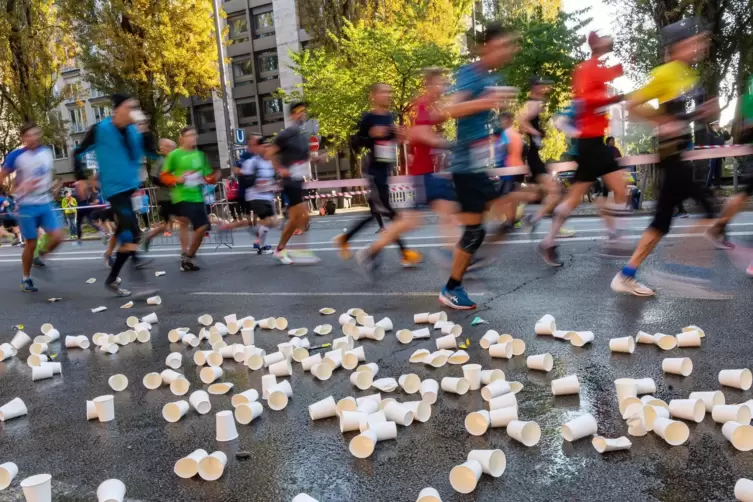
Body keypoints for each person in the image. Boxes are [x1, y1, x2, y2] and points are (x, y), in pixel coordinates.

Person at [611, 17, 719, 296]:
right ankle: (679, 273)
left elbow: (684, 115)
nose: (699, 46)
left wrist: (704, 112)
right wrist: (661, 121)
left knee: (662, 221)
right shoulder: (667, 72)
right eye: (694, 41)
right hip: (669, 152)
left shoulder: (689, 76)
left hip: (680, 152)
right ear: (679, 45)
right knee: (707, 206)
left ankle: (628, 274)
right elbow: (632, 104)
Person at [436, 23, 519, 309]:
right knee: (484, 225)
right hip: (466, 166)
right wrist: (487, 100)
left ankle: (459, 269)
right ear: (486, 46)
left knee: (482, 227)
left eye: (509, 46)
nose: (505, 52)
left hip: (478, 166)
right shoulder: (470, 74)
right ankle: (454, 280)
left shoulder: (492, 76)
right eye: (501, 46)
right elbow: (450, 109)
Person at [538, 31, 631, 266]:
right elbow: (586, 99)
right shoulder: (587, 68)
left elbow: (608, 76)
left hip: (593, 143)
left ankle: (548, 241)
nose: (607, 42)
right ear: (594, 45)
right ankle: (614, 240)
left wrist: (616, 82)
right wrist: (612, 98)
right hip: (591, 142)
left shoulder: (594, 67)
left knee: (575, 197)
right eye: (603, 40)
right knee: (620, 190)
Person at [351, 69, 457, 272]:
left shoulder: (399, 113)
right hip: (408, 172)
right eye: (440, 83)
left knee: (420, 218)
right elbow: (419, 135)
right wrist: (451, 143)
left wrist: (398, 136)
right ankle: (449, 257)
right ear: (429, 84)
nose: (443, 88)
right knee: (404, 218)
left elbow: (410, 135)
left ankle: (371, 251)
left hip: (414, 171)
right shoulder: (417, 106)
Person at [73, 93, 159, 296]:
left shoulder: (133, 132)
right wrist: (82, 178)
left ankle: (113, 278)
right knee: (132, 234)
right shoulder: (100, 130)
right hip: (114, 189)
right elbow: (78, 152)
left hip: (130, 187)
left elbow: (152, 153)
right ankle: (139, 284)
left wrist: (146, 130)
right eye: (130, 107)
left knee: (126, 233)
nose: (133, 112)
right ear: (118, 110)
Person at [332, 84, 422, 270]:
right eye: (383, 92)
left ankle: (345, 238)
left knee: (375, 213)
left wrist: (399, 136)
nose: (387, 95)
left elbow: (391, 141)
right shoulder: (368, 118)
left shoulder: (390, 117)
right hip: (374, 173)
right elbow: (355, 142)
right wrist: (371, 135)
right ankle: (405, 254)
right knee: (392, 215)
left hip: (385, 170)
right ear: (373, 96)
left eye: (389, 92)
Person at [0, 123, 64, 292]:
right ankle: (26, 278)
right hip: (26, 206)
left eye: (36, 134)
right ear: (23, 138)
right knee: (31, 243)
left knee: (58, 237)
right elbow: (2, 178)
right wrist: (19, 188)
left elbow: (45, 175)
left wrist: (52, 187)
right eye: (29, 135)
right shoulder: (16, 156)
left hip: (45, 202)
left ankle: (41, 256)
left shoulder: (46, 153)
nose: (33, 138)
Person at [160, 126, 216, 272]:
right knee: (193, 224)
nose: (193, 138)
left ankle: (188, 256)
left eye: (194, 135)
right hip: (181, 197)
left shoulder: (200, 155)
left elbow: (207, 176)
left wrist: (211, 178)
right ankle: (187, 255)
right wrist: (177, 178)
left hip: (197, 196)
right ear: (182, 138)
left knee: (202, 228)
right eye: (190, 135)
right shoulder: (174, 155)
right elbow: (164, 176)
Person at [269, 102, 319, 264]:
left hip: (299, 180)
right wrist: (280, 169)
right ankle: (299, 250)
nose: (302, 114)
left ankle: (280, 249)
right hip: (289, 180)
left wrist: (317, 158)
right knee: (302, 215)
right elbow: (270, 153)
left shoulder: (302, 137)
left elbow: (306, 157)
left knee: (296, 219)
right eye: (298, 112)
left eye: (304, 111)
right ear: (292, 115)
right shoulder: (286, 134)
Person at [141, 138, 178, 251]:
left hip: (175, 195)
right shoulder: (161, 161)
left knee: (172, 221)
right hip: (165, 197)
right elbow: (153, 178)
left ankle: (149, 236)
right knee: (169, 222)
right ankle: (149, 236)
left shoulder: (173, 160)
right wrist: (168, 183)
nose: (172, 150)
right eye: (169, 148)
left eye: (173, 148)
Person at [704, 121, 730, 189]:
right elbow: (708, 145)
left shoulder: (720, 133)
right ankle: (707, 186)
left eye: (718, 124)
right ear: (713, 126)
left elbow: (728, 137)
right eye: (717, 124)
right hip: (713, 154)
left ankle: (717, 185)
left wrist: (725, 130)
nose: (718, 126)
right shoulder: (710, 134)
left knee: (718, 170)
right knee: (712, 170)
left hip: (720, 154)